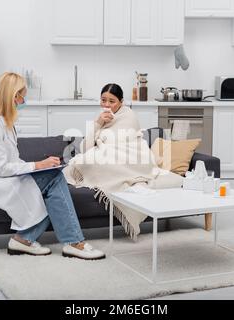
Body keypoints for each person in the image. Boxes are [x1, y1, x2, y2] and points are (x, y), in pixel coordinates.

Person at [0, 72, 105, 260]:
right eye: (23, 95)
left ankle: (25, 239)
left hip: (4, 175)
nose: (24, 99)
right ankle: (72, 242)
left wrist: (42, 167)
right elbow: (2, 168)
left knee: (54, 176)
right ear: (14, 96)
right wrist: (38, 165)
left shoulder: (6, 124)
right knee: (55, 180)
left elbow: (13, 161)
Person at [64, 84, 183, 240]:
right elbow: (85, 147)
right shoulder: (101, 117)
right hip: (111, 156)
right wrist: (98, 123)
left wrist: (103, 144)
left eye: (111, 101)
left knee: (97, 158)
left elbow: (121, 142)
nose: (106, 105)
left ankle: (129, 179)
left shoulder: (129, 116)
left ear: (121, 102)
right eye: (103, 100)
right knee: (89, 158)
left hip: (133, 156)